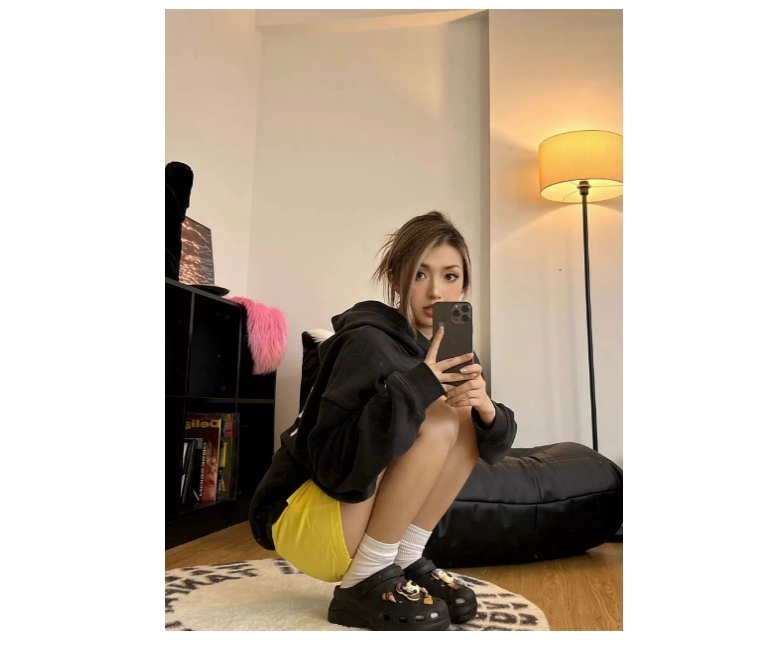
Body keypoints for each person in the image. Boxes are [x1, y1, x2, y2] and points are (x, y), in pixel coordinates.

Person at [249, 211, 518, 631]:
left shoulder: (449, 350)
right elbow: (335, 466)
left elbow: (492, 448)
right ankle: (364, 579)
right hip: (303, 515)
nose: (435, 291)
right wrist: (419, 387)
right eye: (420, 275)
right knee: (439, 418)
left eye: (450, 276)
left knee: (461, 413)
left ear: (464, 284)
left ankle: (405, 558)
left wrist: (486, 408)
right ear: (396, 278)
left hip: (353, 515)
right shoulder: (365, 341)